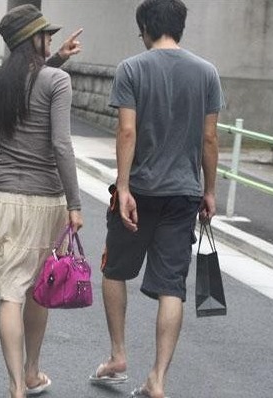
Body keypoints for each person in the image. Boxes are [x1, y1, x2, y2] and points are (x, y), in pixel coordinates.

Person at [0, 5, 84, 398]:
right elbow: (61, 144)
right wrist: (75, 203)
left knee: (11, 291)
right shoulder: (57, 81)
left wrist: (55, 58)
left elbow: (21, 80)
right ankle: (33, 371)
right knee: (41, 288)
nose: (52, 39)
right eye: (46, 35)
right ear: (32, 40)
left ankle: (15, 385)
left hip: (1, 198)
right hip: (45, 202)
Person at [89, 1, 224, 397]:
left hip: (140, 191)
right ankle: (158, 379)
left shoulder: (132, 69)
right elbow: (210, 138)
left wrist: (125, 187)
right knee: (172, 287)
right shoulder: (207, 73)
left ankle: (118, 356)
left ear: (146, 27)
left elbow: (126, 132)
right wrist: (210, 190)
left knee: (114, 270)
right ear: (179, 27)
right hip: (184, 193)